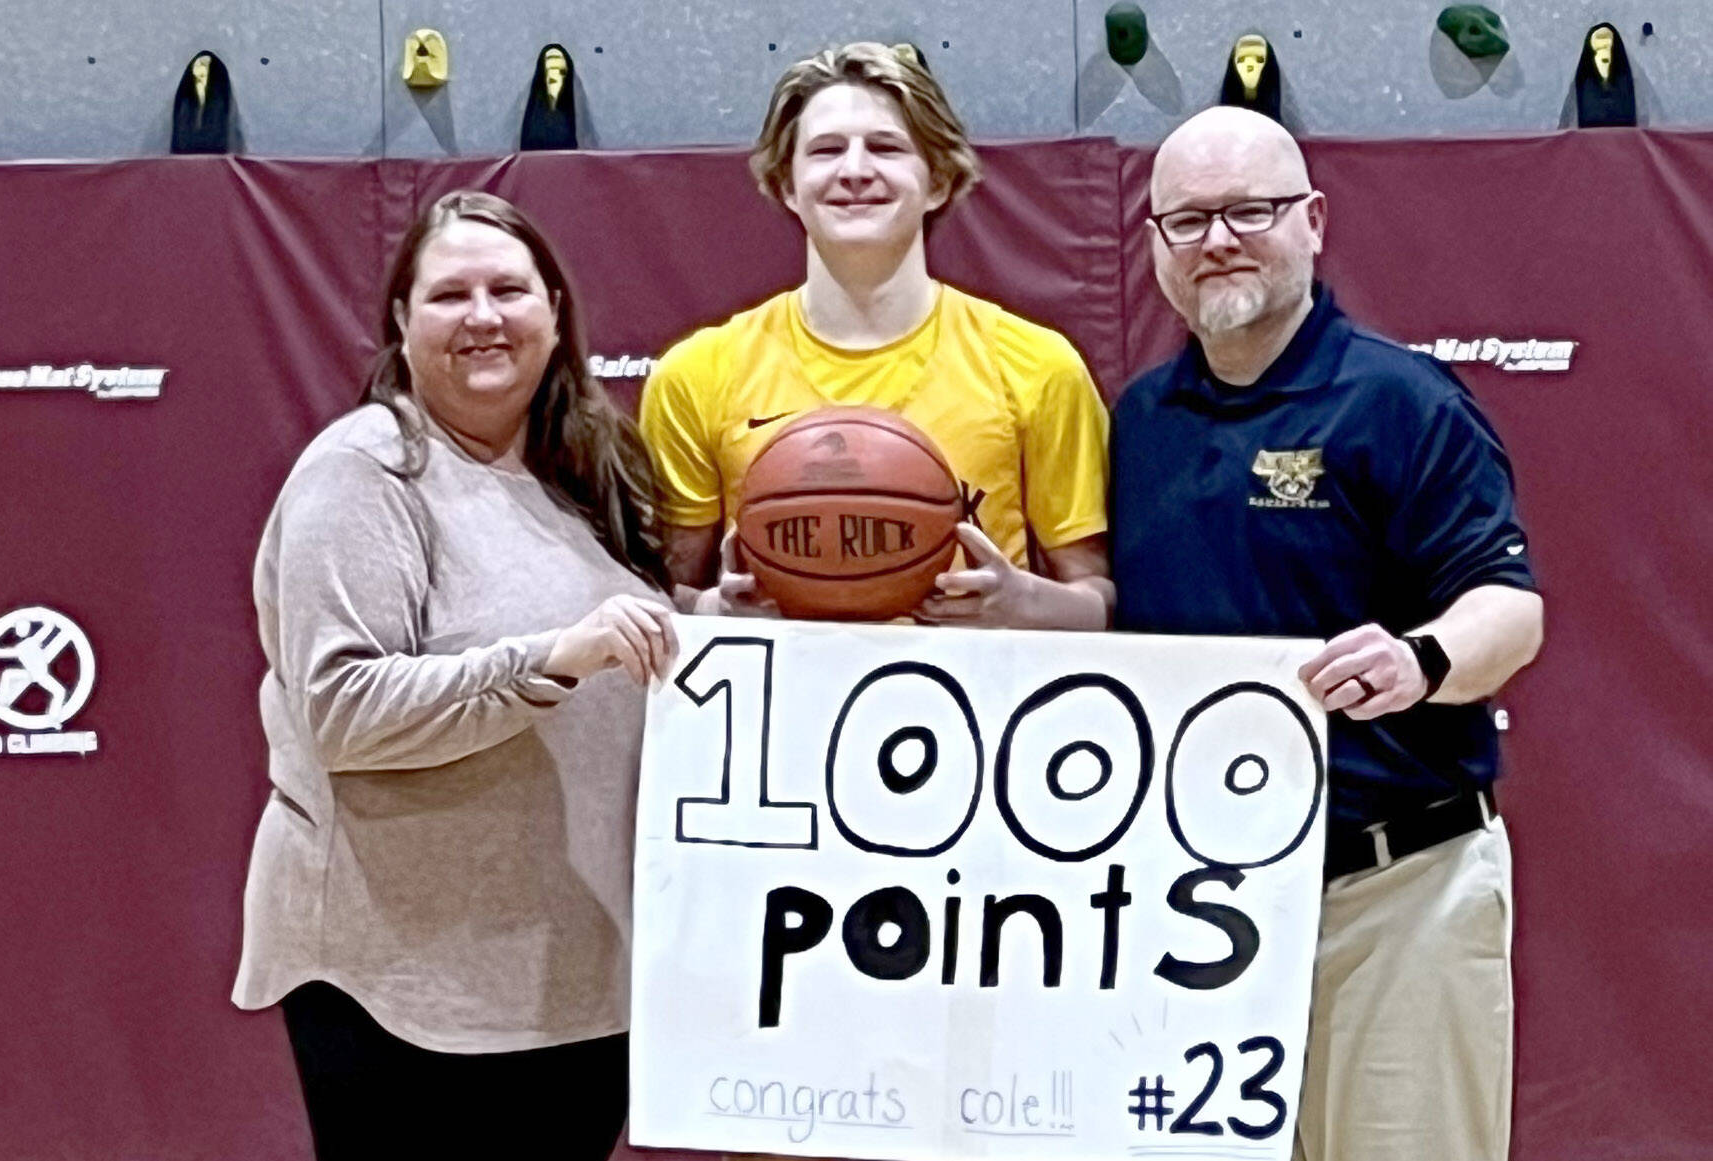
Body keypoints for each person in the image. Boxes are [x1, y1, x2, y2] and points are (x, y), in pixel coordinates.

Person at [1111, 106, 1544, 1161]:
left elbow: (1509, 605)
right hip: (1201, 902)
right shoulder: (1141, 420)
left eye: (1248, 211)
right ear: (1156, 243)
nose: (1218, 240)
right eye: (1187, 220)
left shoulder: (1400, 402)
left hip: (1396, 890)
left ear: (1311, 220)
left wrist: (1421, 659)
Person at [232, 191, 677, 1160]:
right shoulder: (363, 472)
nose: (483, 315)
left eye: (510, 289)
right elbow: (344, 713)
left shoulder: (583, 472)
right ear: (401, 322)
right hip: (404, 982)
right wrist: (551, 658)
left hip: (572, 979)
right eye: (449, 295)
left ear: (555, 313)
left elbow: (641, 650)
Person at [639, 42, 1113, 630]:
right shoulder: (697, 373)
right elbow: (664, 594)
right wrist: (717, 607)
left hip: (974, 707)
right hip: (783, 706)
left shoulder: (1038, 364)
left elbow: (1097, 600)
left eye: (886, 147)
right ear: (787, 185)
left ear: (938, 181)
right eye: (826, 150)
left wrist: (1022, 603)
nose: (855, 170)